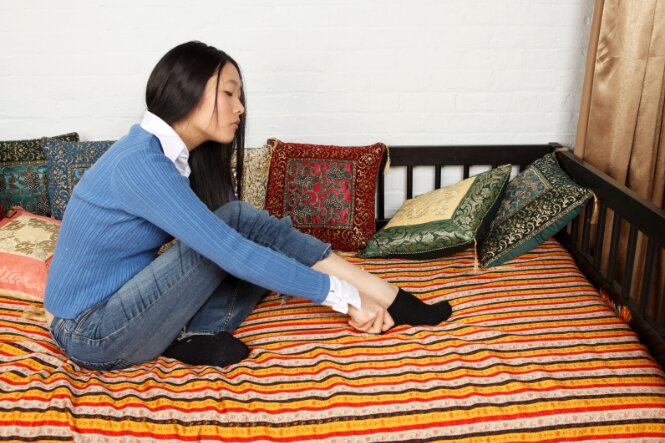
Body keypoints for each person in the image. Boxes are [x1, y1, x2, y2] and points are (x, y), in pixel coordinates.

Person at [43, 41, 452, 371]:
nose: (240, 107)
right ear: (188, 87)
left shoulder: (166, 159)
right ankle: (381, 295)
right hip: (93, 334)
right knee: (237, 230)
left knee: (239, 223)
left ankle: (388, 296)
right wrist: (343, 298)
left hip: (120, 310)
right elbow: (232, 252)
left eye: (240, 95)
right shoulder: (140, 163)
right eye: (228, 92)